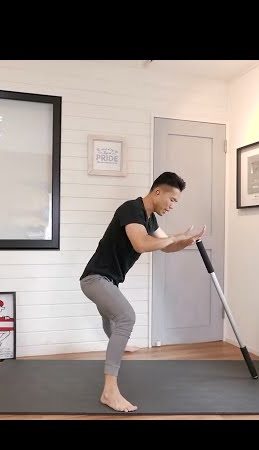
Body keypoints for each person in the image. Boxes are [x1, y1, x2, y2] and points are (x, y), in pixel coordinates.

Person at [80, 171, 205, 412]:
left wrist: (185, 241)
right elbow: (142, 244)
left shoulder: (150, 219)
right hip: (95, 279)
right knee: (126, 316)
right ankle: (109, 391)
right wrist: (174, 238)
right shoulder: (131, 209)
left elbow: (166, 246)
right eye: (172, 199)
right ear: (157, 192)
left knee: (111, 318)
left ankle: (121, 344)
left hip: (107, 280)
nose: (172, 206)